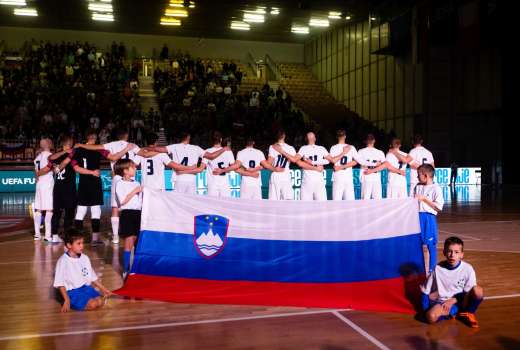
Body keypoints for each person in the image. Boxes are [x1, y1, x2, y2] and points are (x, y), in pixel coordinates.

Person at [76, 129, 142, 244]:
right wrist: (126, 149)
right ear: (94, 137)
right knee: (96, 210)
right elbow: (113, 158)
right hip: (95, 181)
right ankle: (95, 239)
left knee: (81, 211)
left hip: (83, 182)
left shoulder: (77, 150)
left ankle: (76, 239)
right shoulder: (101, 150)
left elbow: (75, 167)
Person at [421, 236, 484, 328]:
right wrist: (426, 309)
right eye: (449, 251)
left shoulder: (468, 269)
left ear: (462, 254)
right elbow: (425, 291)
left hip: (460, 301)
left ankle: (468, 313)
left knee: (478, 290)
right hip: (443, 302)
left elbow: (468, 293)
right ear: (444, 253)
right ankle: (451, 314)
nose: (452, 255)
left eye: (456, 252)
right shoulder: (437, 269)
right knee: (430, 317)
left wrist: (453, 300)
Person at [53, 228, 112, 312]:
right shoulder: (62, 261)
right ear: (69, 245)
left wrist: (104, 289)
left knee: (99, 302)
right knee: (94, 304)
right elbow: (60, 283)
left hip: (86, 289)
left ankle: (90, 302)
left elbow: (92, 276)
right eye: (78, 243)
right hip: (73, 293)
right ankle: (75, 302)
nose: (82, 246)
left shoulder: (85, 258)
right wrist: (66, 300)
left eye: (82, 243)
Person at [152, 131, 225, 194]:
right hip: (191, 180)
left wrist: (146, 148)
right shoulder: (196, 148)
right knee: (190, 205)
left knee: (178, 205)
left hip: (179, 178)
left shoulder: (174, 146)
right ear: (188, 137)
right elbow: (211, 156)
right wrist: (223, 149)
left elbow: (160, 149)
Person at [133, 133, 203, 191]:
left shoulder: (141, 153)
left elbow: (132, 165)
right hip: (159, 187)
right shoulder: (162, 154)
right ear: (156, 141)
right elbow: (176, 166)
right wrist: (190, 167)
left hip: (145, 186)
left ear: (145, 141)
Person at [413, 164, 444, 275]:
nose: (417, 177)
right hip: (417, 217)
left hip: (428, 218)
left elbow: (439, 207)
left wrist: (425, 199)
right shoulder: (418, 186)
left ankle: (432, 270)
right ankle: (419, 269)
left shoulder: (436, 188)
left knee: (430, 245)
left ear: (425, 175)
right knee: (417, 244)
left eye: (418, 175)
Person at [114, 159, 142, 279]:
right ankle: (126, 269)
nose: (135, 168)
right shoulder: (120, 184)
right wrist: (134, 191)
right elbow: (122, 201)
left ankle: (135, 269)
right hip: (127, 214)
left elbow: (140, 200)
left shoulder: (136, 182)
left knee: (137, 241)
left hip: (138, 213)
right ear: (125, 170)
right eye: (132, 167)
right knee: (128, 241)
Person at [47, 135, 76, 243]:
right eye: (71, 144)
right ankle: (66, 236)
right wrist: (67, 152)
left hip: (59, 188)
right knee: (68, 213)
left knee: (59, 213)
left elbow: (51, 158)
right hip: (68, 188)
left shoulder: (58, 155)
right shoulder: (70, 154)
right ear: (68, 144)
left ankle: (55, 236)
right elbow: (50, 158)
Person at [294, 132, 331, 201]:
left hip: (307, 180)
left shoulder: (303, 148)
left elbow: (295, 160)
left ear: (306, 139)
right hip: (319, 180)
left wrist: (312, 162)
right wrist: (317, 165)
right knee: (322, 206)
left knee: (305, 207)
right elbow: (329, 160)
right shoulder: (321, 148)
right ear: (315, 139)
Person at [204, 132, 239, 198]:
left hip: (212, 183)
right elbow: (233, 166)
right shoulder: (228, 151)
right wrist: (224, 170)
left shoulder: (207, 151)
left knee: (212, 206)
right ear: (221, 139)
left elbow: (203, 167)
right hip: (224, 183)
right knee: (226, 206)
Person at [33, 138, 54, 242]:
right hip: (47, 184)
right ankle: (47, 235)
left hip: (39, 184)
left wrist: (37, 175)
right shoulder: (50, 156)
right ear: (49, 144)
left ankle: (37, 234)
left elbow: (35, 171)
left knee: (38, 209)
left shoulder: (37, 157)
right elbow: (47, 169)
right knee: (49, 209)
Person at [267, 129, 298, 200]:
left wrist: (274, 168)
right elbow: (294, 160)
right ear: (284, 136)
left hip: (275, 175)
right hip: (285, 175)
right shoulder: (290, 148)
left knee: (273, 201)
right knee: (288, 201)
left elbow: (268, 164)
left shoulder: (272, 147)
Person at [329, 129, 359, 201]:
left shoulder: (333, 147)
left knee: (336, 202)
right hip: (347, 177)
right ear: (345, 136)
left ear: (337, 137)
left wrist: (340, 167)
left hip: (338, 176)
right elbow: (356, 161)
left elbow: (332, 161)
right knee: (350, 203)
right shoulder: (351, 147)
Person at [357, 134, 386, 199]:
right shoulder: (380, 152)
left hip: (366, 176)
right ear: (374, 141)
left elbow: (359, 162)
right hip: (375, 177)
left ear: (366, 141)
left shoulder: (361, 151)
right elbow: (385, 165)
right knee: (377, 201)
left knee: (365, 200)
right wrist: (376, 166)